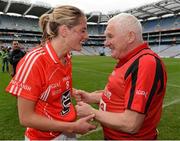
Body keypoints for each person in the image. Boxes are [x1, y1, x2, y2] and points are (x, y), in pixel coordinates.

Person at [6, 5, 96, 140]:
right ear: (64, 30)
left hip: (67, 131)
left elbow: (51, 88)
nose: (87, 36)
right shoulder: (34, 61)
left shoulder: (67, 57)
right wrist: (71, 127)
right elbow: (25, 118)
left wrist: (71, 91)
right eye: (82, 30)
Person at [75, 13, 167, 140]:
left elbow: (131, 124)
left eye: (110, 36)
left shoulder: (144, 63)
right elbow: (119, 95)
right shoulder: (129, 60)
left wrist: (92, 112)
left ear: (130, 37)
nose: (106, 43)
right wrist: (91, 97)